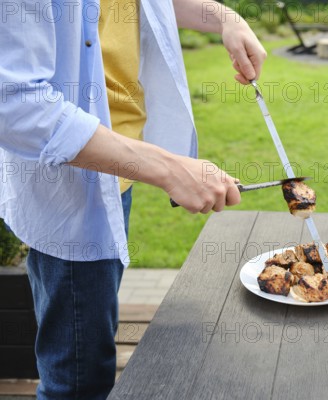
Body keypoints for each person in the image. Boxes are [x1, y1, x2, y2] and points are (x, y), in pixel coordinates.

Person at [0, 0, 266, 398]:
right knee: (78, 380)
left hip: (115, 177)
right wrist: (170, 169)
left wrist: (227, 18)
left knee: (92, 350)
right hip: (71, 198)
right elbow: (15, 104)